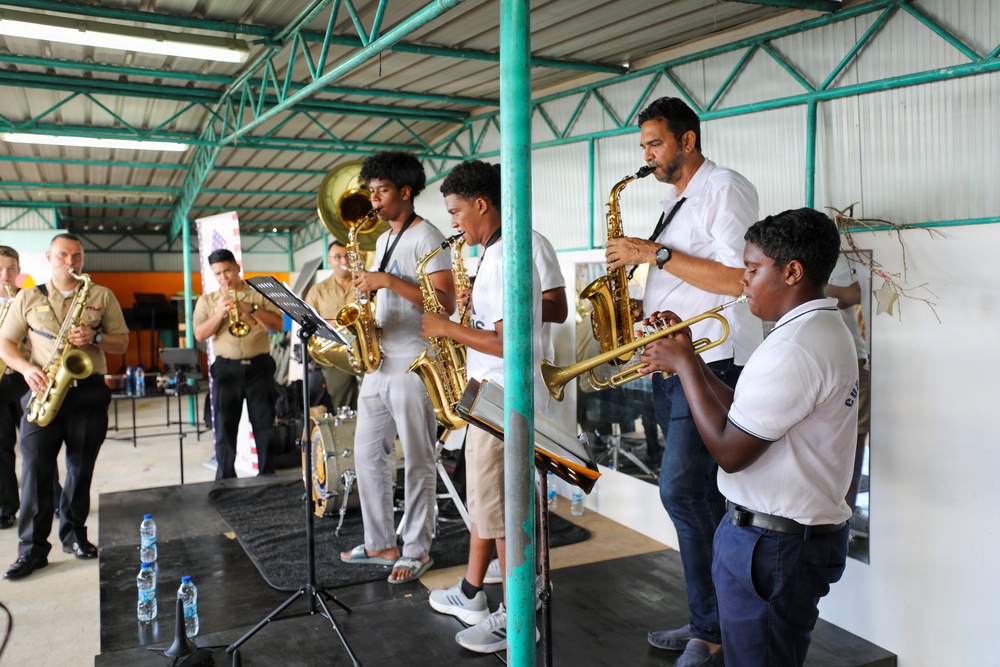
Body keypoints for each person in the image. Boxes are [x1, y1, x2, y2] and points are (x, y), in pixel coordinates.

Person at [638, 208, 858, 666]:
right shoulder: (812, 329)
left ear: (792, 272)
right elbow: (745, 411)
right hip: (771, 537)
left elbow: (730, 452)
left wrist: (683, 366)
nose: (742, 280)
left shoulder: (794, 347)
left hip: (774, 546)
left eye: (753, 270)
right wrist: (694, 360)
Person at [604, 96, 762, 666]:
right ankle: (713, 622)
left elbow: (740, 279)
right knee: (699, 495)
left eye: (655, 143)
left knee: (681, 491)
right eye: (643, 145)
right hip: (677, 361)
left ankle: (714, 628)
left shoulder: (724, 188)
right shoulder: (676, 200)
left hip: (714, 358)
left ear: (687, 140)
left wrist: (654, 254)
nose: (647, 155)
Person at [422, 159, 545, 654]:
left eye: (455, 212)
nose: (453, 223)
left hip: (498, 397)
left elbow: (508, 343)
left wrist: (447, 328)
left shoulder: (501, 258)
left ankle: (516, 619)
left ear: (480, 204)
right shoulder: (498, 253)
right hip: (494, 395)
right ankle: (494, 603)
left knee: (501, 514)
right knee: (494, 509)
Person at [337, 151, 455, 584]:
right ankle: (380, 543)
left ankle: (417, 549)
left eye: (382, 191)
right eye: (371, 191)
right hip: (380, 359)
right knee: (367, 454)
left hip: (414, 360)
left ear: (406, 192)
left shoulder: (428, 236)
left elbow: (445, 303)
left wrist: (385, 281)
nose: (374, 200)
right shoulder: (384, 239)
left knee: (419, 458)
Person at [0, 234, 129, 579]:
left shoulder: (101, 295)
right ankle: (32, 550)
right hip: (43, 390)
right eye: (62, 255)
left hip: (88, 392)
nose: (69, 262)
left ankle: (74, 537)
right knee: (35, 472)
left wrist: (96, 337)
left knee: (80, 469)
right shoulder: (28, 296)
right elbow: (5, 342)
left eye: (76, 256)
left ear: (82, 259)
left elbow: (122, 343)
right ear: (49, 257)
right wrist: (25, 369)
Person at [193, 249, 284, 479]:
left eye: (227, 271)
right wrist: (219, 314)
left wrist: (251, 309)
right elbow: (199, 334)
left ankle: (267, 478)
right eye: (218, 274)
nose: (223, 278)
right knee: (224, 428)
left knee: (264, 427)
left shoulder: (259, 295)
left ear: (237, 268)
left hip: (259, 367)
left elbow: (278, 325)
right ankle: (225, 481)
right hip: (226, 370)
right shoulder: (207, 301)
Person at [826, 254, 870, 510]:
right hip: (821, 357)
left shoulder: (842, 255)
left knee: (852, 444)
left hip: (851, 356)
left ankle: (845, 515)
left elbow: (853, 294)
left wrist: (816, 286)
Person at [304, 240, 361, 411]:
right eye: (337, 257)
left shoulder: (365, 285)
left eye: (347, 256)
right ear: (329, 261)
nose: (343, 261)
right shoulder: (317, 291)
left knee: (375, 398)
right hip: (336, 356)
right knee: (342, 402)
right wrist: (326, 324)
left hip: (365, 350)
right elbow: (307, 322)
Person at [0, 246, 28, 530]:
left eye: (10, 269)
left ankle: (52, 501)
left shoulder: (28, 299)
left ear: (18, 271)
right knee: (1, 448)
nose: (5, 275)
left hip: (23, 377)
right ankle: (6, 507)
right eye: (0, 269)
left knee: (37, 444)